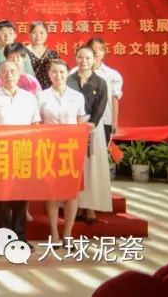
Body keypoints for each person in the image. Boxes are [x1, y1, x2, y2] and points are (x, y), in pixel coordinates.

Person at [0, 60, 41, 241]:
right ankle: (3, 236)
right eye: (5, 72)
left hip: (23, 152)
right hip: (0, 152)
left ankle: (20, 236)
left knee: (21, 195)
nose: (9, 75)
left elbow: (35, 124)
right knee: (1, 196)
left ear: (19, 74)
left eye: (12, 71)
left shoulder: (29, 97)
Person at [37, 58, 87, 241]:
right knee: (52, 192)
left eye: (61, 72)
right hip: (49, 149)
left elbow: (80, 123)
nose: (58, 75)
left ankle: (68, 232)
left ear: (67, 74)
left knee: (71, 193)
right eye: (54, 72)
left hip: (72, 149)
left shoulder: (77, 96)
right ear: (49, 74)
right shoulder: (41, 96)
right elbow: (38, 123)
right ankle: (54, 232)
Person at [70, 46, 111, 224]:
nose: (84, 61)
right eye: (80, 57)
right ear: (75, 58)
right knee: (76, 166)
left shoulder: (100, 82)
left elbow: (102, 105)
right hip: (73, 126)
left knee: (92, 166)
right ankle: (77, 204)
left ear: (94, 59)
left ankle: (91, 207)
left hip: (93, 127)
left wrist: (92, 122)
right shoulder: (69, 79)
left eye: (88, 58)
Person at [88, 37, 123, 143]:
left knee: (103, 151)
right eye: (94, 48)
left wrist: (114, 121)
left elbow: (114, 99)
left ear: (104, 53)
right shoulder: (75, 72)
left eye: (100, 49)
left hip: (105, 120)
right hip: (83, 121)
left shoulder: (112, 74)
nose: (97, 52)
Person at [25, 22, 60, 89]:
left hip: (49, 90)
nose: (38, 35)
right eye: (34, 32)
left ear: (46, 34)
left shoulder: (53, 54)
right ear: (29, 34)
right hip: (29, 89)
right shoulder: (22, 52)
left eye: (41, 32)